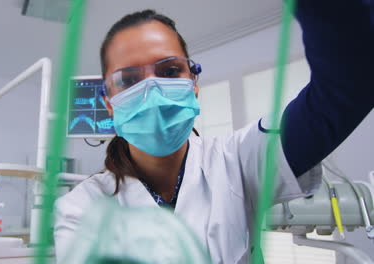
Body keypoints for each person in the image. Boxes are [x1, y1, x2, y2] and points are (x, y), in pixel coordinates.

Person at [55, 0, 374, 263]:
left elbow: (349, 84)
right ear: (109, 104)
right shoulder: (80, 209)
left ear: (193, 83)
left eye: (169, 71)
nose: (152, 90)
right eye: (128, 80)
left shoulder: (240, 159)